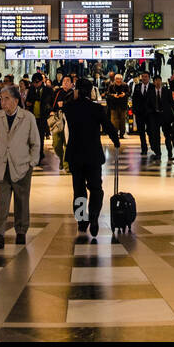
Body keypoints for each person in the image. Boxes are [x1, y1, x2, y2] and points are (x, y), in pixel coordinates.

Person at [63, 77, 120, 239]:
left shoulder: (70, 107)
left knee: (79, 189)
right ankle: (94, 216)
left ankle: (82, 220)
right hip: (93, 155)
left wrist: (73, 95)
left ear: (76, 90)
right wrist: (116, 141)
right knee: (96, 188)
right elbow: (109, 126)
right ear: (91, 91)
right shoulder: (96, 109)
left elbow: (65, 102)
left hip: (75, 155)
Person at [0, 86, 40, 249]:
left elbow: (35, 143)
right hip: (1, 165)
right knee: (1, 201)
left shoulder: (27, 117)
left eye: (6, 98)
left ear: (16, 101)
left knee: (22, 200)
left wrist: (32, 162)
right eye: (1, 98)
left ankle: (21, 231)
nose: (3, 101)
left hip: (22, 166)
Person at [24, 71, 54, 164]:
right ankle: (33, 154)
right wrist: (28, 103)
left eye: (37, 82)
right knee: (32, 137)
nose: (35, 84)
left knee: (40, 136)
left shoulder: (48, 90)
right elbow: (28, 100)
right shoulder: (31, 89)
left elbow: (51, 102)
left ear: (41, 81)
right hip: (33, 116)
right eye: (34, 82)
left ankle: (40, 155)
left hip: (43, 116)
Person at [132, 71, 159, 157]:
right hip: (140, 114)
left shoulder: (152, 87)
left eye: (146, 76)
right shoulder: (137, 86)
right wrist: (135, 111)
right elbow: (134, 99)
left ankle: (153, 146)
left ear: (149, 78)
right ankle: (144, 148)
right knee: (141, 132)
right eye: (143, 76)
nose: (144, 78)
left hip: (150, 114)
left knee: (151, 132)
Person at [153, 74, 174, 161]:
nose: (158, 82)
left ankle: (169, 151)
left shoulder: (167, 91)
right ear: (154, 82)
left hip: (166, 117)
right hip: (155, 116)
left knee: (167, 136)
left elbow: (172, 103)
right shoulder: (151, 91)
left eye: (159, 80)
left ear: (161, 81)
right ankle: (158, 153)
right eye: (156, 81)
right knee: (156, 136)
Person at [106, 73, 129, 139]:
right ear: (115, 79)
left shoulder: (125, 85)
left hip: (123, 105)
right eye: (117, 79)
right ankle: (115, 133)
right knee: (114, 120)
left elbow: (129, 93)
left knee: (122, 120)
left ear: (122, 79)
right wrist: (113, 95)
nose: (118, 80)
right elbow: (108, 94)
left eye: (120, 79)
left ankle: (122, 134)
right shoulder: (111, 85)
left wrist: (124, 94)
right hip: (113, 106)